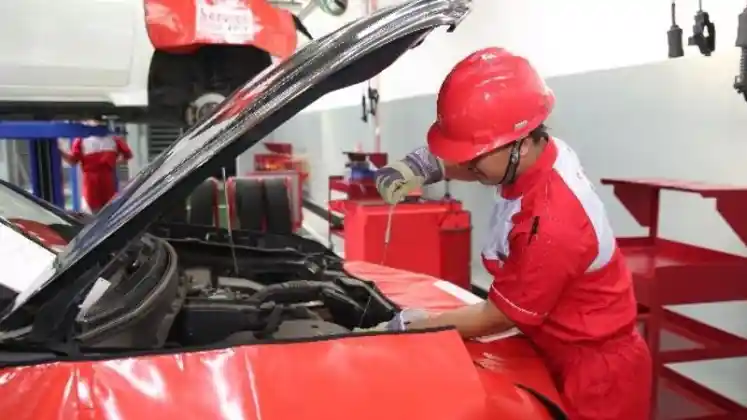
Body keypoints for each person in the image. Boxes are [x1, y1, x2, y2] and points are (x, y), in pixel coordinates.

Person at [372, 47, 652, 420]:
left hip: (597, 380)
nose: (466, 163)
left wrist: (419, 327)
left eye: (475, 153)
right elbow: (486, 163)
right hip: (554, 346)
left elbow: (498, 316)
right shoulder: (540, 154)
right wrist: (426, 166)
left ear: (520, 142)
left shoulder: (552, 224)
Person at [60, 121, 132, 213]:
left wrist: (59, 151)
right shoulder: (113, 138)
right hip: (100, 179)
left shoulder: (82, 139)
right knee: (107, 210)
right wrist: (113, 162)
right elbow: (127, 155)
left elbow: (72, 161)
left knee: (103, 210)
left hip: (97, 179)